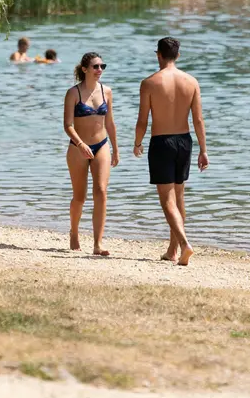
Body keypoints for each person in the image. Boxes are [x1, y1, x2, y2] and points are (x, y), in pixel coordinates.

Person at [133, 37, 209, 266]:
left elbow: (142, 121)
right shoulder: (191, 81)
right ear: (178, 55)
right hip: (185, 142)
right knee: (179, 197)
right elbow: (198, 119)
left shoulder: (149, 83)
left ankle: (185, 244)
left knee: (167, 200)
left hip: (162, 142)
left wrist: (137, 143)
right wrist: (204, 150)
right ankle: (172, 251)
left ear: (158, 54)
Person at [63, 52, 119, 256]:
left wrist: (115, 148)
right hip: (78, 147)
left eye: (102, 66)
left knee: (101, 192)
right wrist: (79, 144)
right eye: (96, 66)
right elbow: (68, 125)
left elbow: (110, 123)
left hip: (101, 145)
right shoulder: (73, 93)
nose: (100, 70)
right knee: (80, 196)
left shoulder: (107, 91)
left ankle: (98, 244)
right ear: (85, 69)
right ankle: (74, 232)